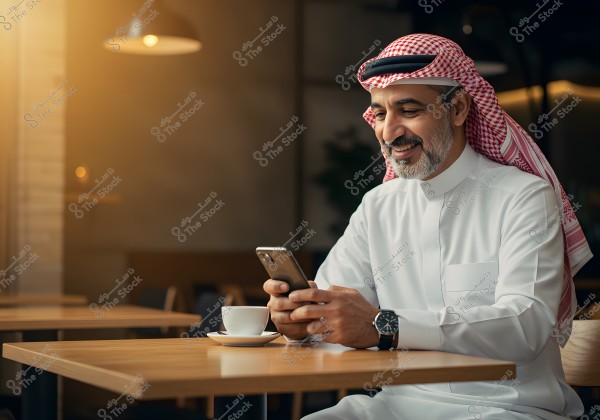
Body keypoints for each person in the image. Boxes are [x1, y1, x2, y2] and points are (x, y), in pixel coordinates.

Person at [264, 34, 592, 419]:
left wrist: (384, 325)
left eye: (408, 110)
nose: (389, 133)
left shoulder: (523, 196)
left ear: (458, 109)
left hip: (510, 409)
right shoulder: (378, 206)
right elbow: (336, 314)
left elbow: (526, 325)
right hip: (395, 406)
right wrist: (302, 322)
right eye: (381, 114)